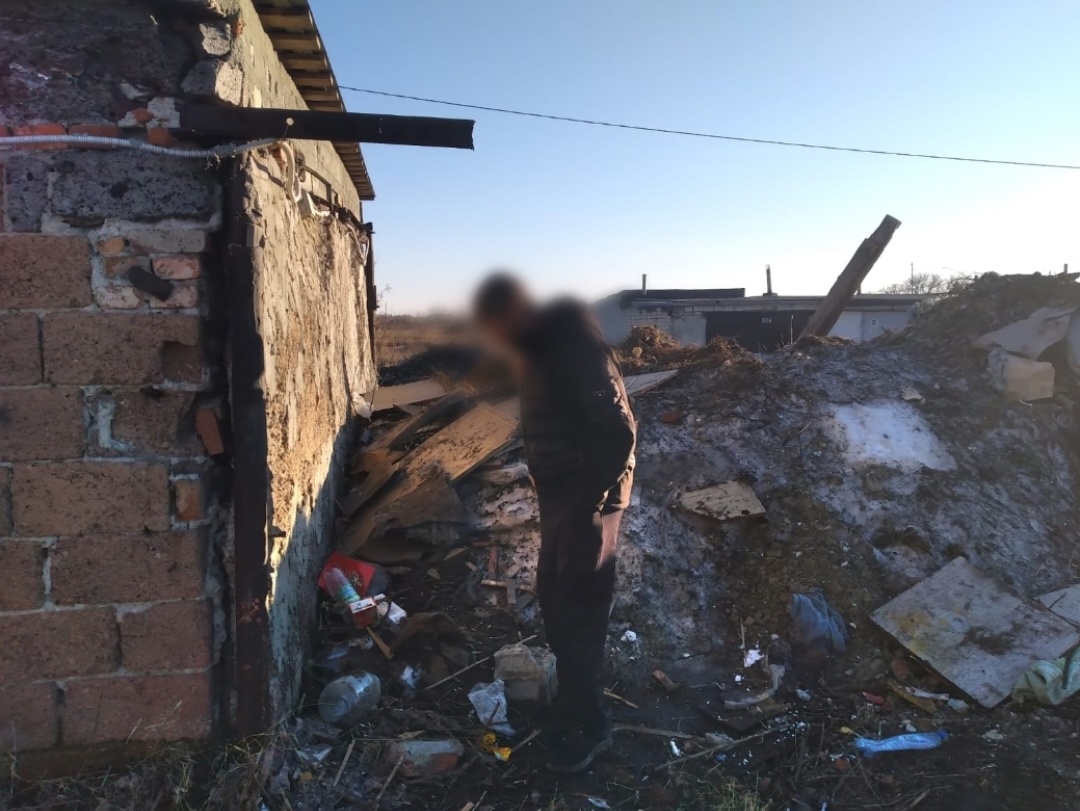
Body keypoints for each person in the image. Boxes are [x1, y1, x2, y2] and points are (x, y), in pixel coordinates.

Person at [473, 272, 636, 773]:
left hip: (589, 504)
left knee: (580, 613)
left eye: (497, 329)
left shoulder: (569, 342)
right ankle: (571, 704)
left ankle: (591, 725)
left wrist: (587, 503)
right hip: (566, 500)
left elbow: (618, 432)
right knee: (557, 603)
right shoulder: (541, 347)